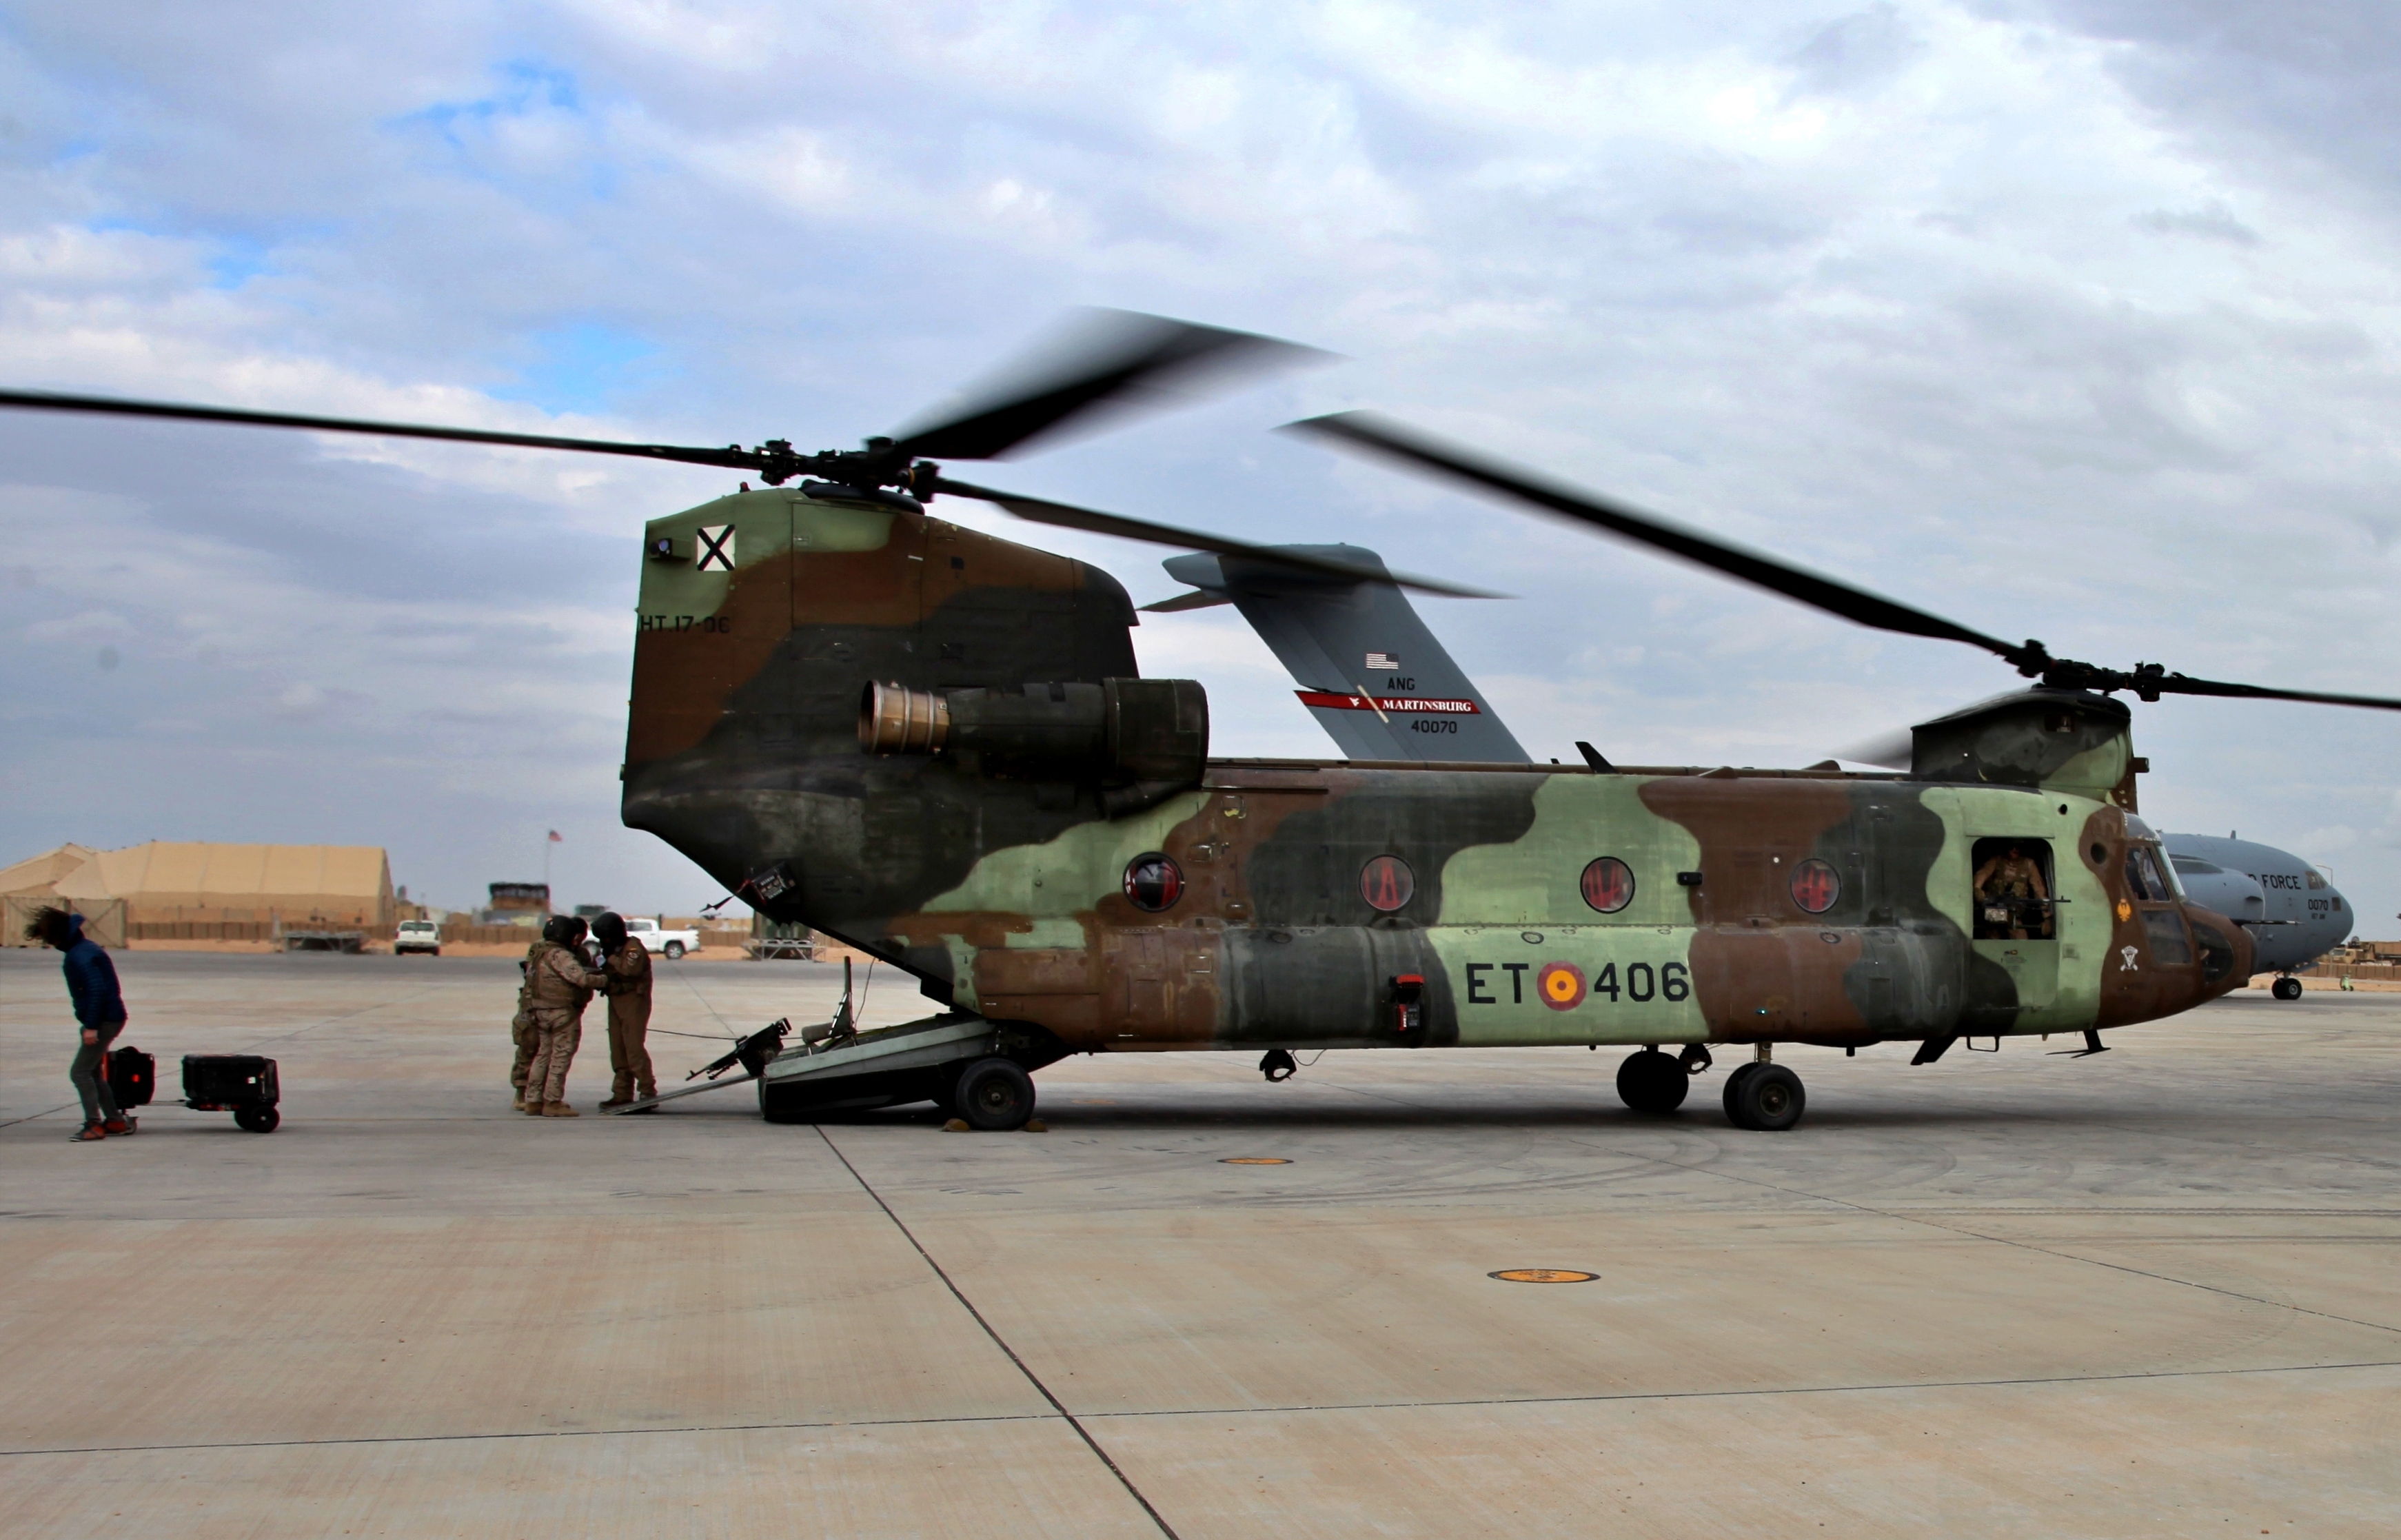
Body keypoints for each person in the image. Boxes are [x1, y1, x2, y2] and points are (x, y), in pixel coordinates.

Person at [27, 906, 134, 1142]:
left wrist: (91, 1026)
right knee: (94, 1073)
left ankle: (93, 1124)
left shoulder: (81, 955)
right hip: (109, 1017)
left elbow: (97, 990)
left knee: (80, 1073)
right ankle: (115, 1121)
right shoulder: (84, 949)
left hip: (104, 1020)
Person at [522, 914, 606, 1117]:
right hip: (561, 1014)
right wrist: (605, 980)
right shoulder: (560, 955)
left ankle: (533, 1100)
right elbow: (581, 979)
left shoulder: (539, 952)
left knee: (543, 1055)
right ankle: (552, 1101)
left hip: (540, 1012)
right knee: (561, 1056)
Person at [590, 912, 657, 1111]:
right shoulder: (614, 949)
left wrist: (610, 958)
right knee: (619, 1050)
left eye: (606, 937)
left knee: (634, 1049)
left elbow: (631, 971)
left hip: (634, 1002)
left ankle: (647, 1091)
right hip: (616, 1000)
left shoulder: (633, 949)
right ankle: (622, 1093)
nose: (604, 942)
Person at [1973, 842, 2052, 940]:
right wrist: (1977, 889)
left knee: (2021, 940)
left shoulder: (2028, 864)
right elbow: (1982, 874)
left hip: (2015, 911)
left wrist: (2047, 916)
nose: (2015, 849)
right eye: (2012, 846)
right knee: (1993, 938)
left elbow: (2039, 889)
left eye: (2019, 846)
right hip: (1995, 909)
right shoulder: (1996, 861)